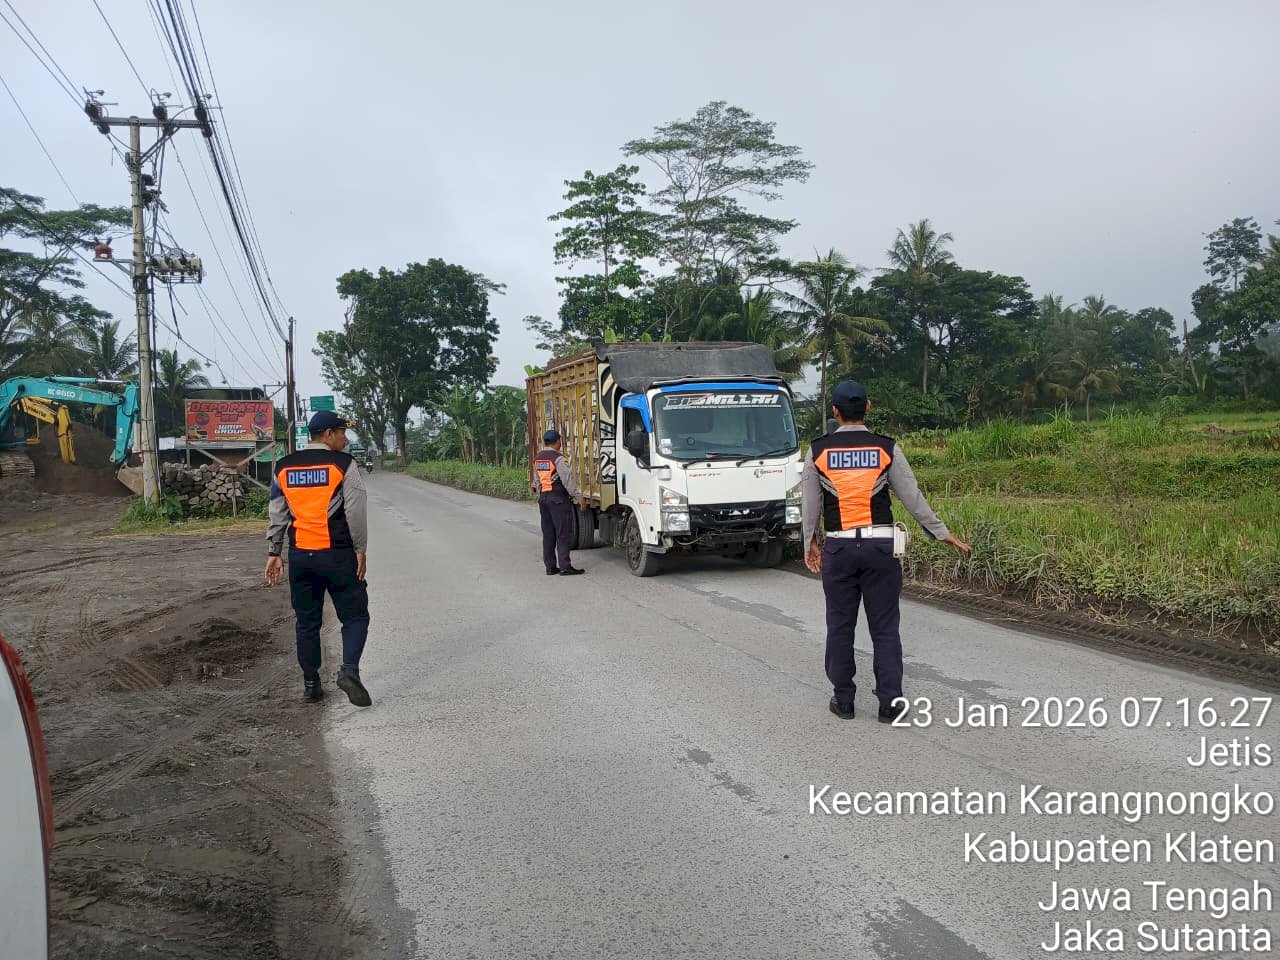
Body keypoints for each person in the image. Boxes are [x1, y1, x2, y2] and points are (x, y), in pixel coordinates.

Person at [801, 381, 971, 723]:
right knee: (884, 628)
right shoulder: (887, 448)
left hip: (840, 548)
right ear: (868, 407)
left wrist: (809, 543)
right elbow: (912, 497)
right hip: (881, 548)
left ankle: (844, 701)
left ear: (835, 412)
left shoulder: (818, 451)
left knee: (840, 626)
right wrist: (942, 533)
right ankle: (891, 704)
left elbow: (810, 505)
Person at [264, 410, 373, 706]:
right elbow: (355, 511)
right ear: (327, 435)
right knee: (355, 616)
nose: (345, 438)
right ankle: (349, 671)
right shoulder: (343, 465)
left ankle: (311, 685)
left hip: (301, 557)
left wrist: (274, 552)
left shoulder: (283, 467)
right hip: (338, 556)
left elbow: (277, 512)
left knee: (307, 623)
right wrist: (360, 549)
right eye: (341, 432)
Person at [533, 429, 589, 576]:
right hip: (558, 500)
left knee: (548, 534)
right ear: (557, 441)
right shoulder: (558, 458)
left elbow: (537, 480)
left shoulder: (538, 458)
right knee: (563, 533)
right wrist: (579, 497)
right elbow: (567, 480)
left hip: (544, 498)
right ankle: (565, 567)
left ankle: (550, 567)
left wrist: (543, 494)